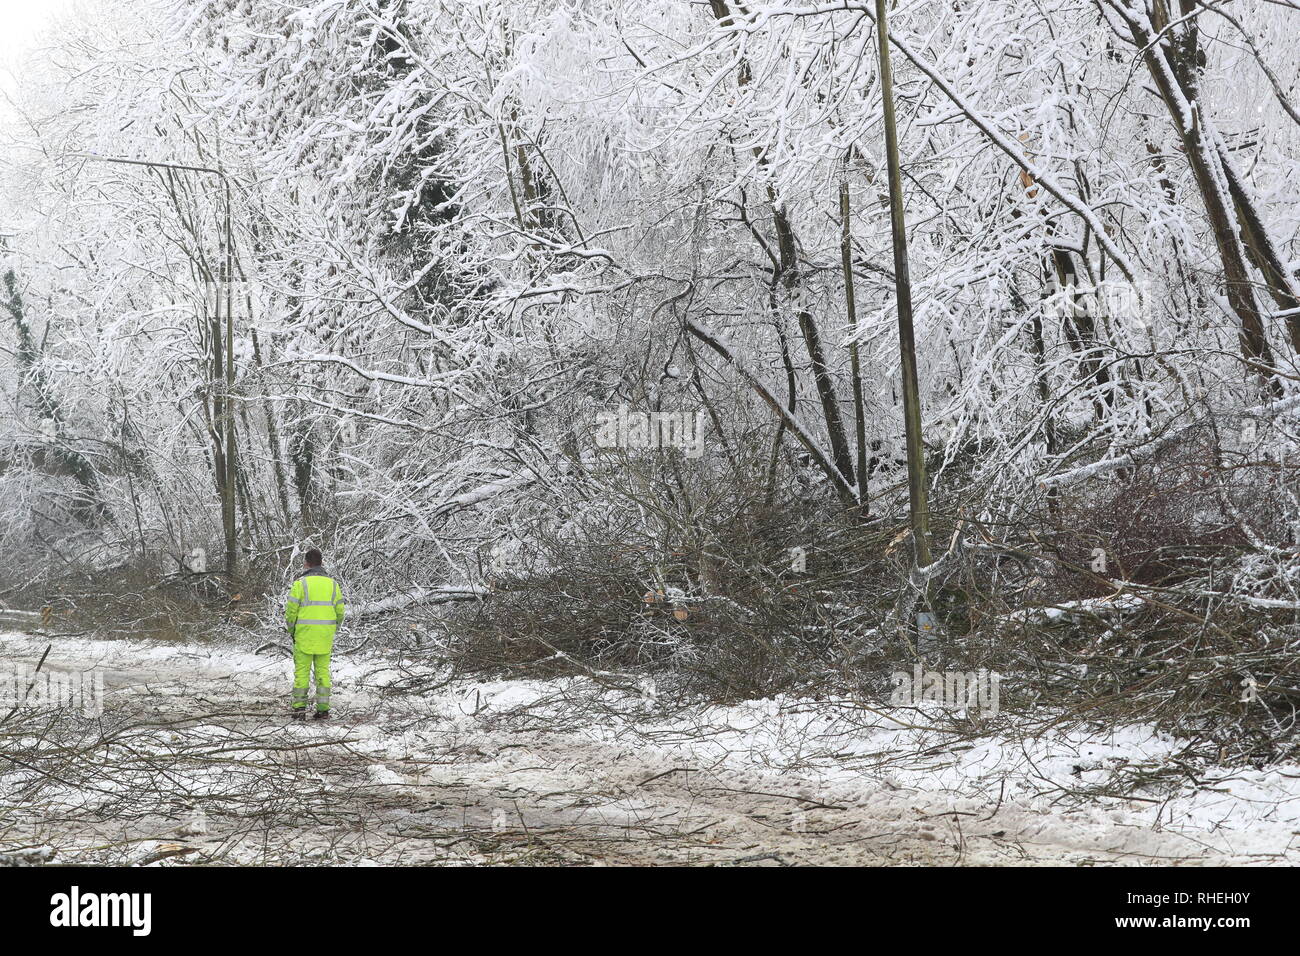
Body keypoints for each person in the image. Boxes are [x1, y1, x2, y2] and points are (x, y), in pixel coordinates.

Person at [284, 548, 345, 720]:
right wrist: (332, 629)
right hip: (325, 637)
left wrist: (292, 630)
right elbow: (340, 612)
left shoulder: (300, 584)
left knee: (302, 673)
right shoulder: (333, 585)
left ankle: (299, 709)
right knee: (323, 673)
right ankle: (323, 709)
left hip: (304, 636)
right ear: (321, 563)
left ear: (306, 564)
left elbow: (291, 612)